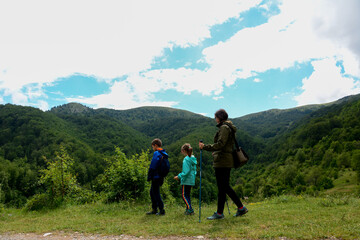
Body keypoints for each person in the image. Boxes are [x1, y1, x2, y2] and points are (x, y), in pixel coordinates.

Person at [199, 109, 248, 220]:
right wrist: (215, 151)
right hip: (224, 159)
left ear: (219, 117)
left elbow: (221, 144)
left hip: (223, 161)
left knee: (224, 186)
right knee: (222, 187)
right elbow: (224, 145)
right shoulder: (227, 127)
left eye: (215, 117)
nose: (215, 119)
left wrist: (205, 146)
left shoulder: (224, 128)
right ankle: (221, 213)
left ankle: (240, 208)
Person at [174, 143, 197, 215]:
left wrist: (179, 176)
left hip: (186, 180)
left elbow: (185, 172)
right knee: (187, 195)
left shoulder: (186, 159)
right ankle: (188, 209)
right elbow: (194, 171)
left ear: (184, 151)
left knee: (184, 195)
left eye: (181, 151)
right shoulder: (193, 159)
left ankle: (190, 209)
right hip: (191, 180)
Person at [147, 138, 167, 216]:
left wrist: (149, 176)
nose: (153, 148)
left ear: (155, 145)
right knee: (152, 192)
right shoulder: (163, 153)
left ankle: (161, 210)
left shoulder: (156, 153)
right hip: (160, 176)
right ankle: (154, 209)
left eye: (152, 147)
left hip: (156, 176)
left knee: (155, 193)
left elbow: (153, 166)